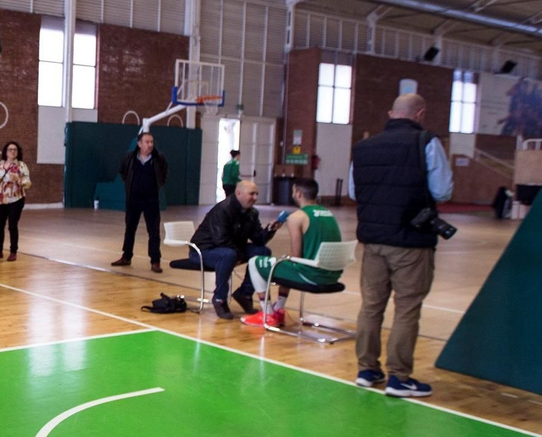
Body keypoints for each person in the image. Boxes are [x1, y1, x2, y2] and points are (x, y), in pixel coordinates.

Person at [348, 92, 454, 398]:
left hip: (372, 242)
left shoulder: (363, 147)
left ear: (390, 113)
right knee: (407, 308)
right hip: (411, 241)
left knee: (371, 306)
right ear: (419, 114)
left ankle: (367, 370)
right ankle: (399, 377)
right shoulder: (426, 142)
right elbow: (442, 190)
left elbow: (355, 191)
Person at [240, 177, 342, 329]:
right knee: (282, 263)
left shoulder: (296, 217)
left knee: (256, 262)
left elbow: (296, 257)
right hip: (333, 274)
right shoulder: (328, 213)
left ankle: (267, 314)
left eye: (293, 191)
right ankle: (278, 309)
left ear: (299, 193)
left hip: (311, 275)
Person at [189, 179, 280, 318]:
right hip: (204, 250)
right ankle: (220, 299)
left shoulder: (252, 213)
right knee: (228, 255)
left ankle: (244, 293)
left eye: (257, 194)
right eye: (251, 194)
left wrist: (269, 230)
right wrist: (238, 255)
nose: (255, 198)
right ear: (239, 193)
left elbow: (258, 240)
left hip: (231, 249)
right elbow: (220, 239)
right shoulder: (223, 209)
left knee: (263, 252)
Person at [111, 131, 168, 272]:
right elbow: (123, 173)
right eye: (147, 142)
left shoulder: (158, 158)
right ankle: (126, 256)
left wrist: (157, 186)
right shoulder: (129, 158)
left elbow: (164, 173)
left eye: (151, 142)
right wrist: (131, 186)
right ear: (139, 143)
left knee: (154, 231)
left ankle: (155, 261)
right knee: (130, 228)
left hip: (151, 199)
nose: (150, 145)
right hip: (133, 199)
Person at [0, 141, 30, 261]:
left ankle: (13, 251)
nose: (12, 151)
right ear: (6, 152)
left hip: (16, 199)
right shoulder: (0, 165)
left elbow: (28, 183)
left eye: (15, 149)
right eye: (10, 149)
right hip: (2, 199)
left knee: (12, 225)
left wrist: (18, 180)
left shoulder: (21, 166)